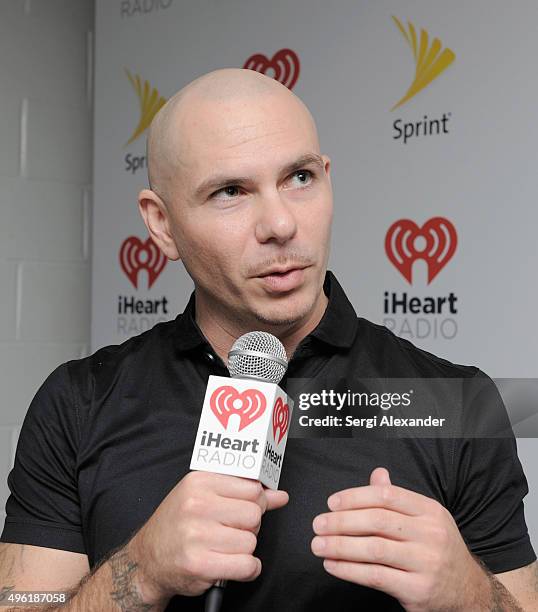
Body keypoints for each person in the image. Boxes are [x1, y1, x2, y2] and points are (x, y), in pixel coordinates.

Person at [0, 68, 536, 611]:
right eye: (231, 191)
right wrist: (139, 572)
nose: (280, 223)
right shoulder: (79, 402)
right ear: (161, 224)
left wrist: (468, 593)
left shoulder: (453, 401)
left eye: (300, 178)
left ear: (327, 177)